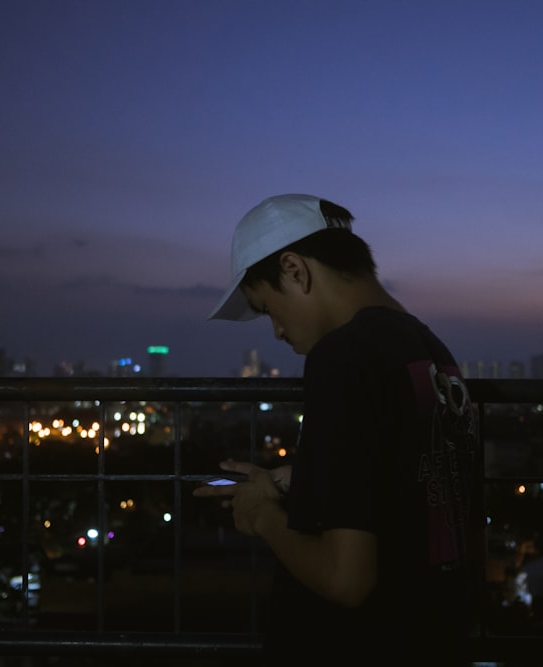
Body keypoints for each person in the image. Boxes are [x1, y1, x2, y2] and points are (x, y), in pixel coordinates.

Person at [193, 193, 483, 662]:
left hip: (358, 640)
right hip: (434, 633)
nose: (278, 332)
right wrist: (307, 480)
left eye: (268, 309)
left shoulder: (344, 357)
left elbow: (347, 581)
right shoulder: (429, 349)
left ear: (294, 270)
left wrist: (261, 515)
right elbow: (403, 475)